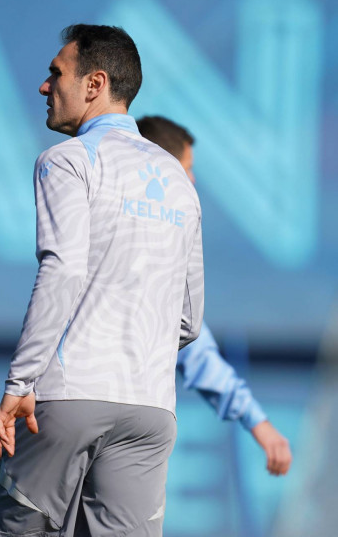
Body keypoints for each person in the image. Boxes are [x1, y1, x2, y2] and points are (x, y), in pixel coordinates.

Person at [0, 26, 204, 537]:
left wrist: (20, 383)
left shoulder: (67, 160)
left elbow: (62, 269)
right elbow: (189, 320)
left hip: (68, 397)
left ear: (95, 84)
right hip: (151, 411)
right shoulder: (179, 180)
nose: (45, 86)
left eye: (56, 73)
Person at [136, 115, 292, 476]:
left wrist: (257, 421)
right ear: (161, 167)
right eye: (187, 168)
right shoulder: (144, 245)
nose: (192, 180)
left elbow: (194, 347)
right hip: (86, 419)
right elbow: (193, 346)